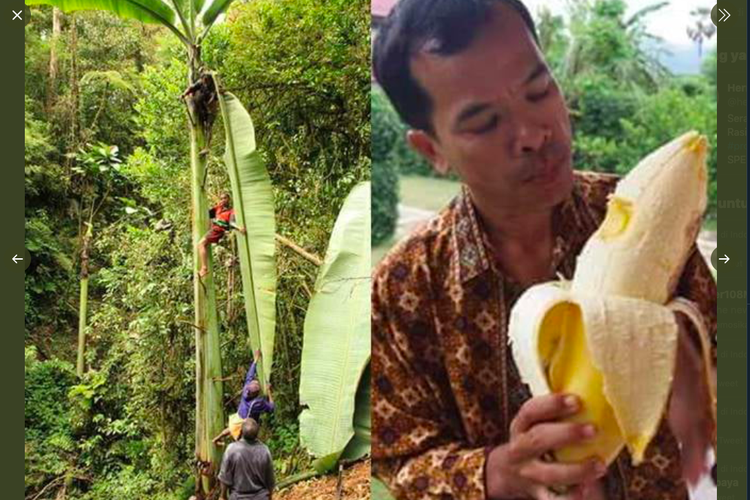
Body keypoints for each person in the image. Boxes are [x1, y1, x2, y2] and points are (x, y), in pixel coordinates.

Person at [371, 1, 717, 499]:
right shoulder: (405, 287)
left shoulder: (642, 216)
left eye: (539, 90)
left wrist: (696, 360)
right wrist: (498, 472)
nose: (536, 134)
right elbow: (397, 455)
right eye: (485, 123)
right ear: (433, 151)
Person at [213, 350, 275, 447]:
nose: (255, 382)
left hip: (238, 417)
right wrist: (269, 392)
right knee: (243, 440)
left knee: (230, 429)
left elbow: (249, 376)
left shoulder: (247, 389)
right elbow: (271, 408)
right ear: (256, 394)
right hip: (245, 423)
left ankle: (216, 440)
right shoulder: (257, 403)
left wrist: (255, 360)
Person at [218, 418, 276, 500]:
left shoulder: (231, 449)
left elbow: (224, 478)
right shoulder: (264, 450)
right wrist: (269, 497)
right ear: (257, 434)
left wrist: (222, 496)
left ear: (241, 432)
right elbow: (270, 481)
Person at [198, 193, 246, 278]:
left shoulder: (231, 211)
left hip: (218, 230)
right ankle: (204, 268)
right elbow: (207, 214)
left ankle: (204, 268)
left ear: (228, 199)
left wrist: (239, 228)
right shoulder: (218, 208)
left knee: (201, 244)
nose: (223, 200)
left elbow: (231, 222)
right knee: (203, 244)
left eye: (225, 198)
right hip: (213, 229)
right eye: (221, 199)